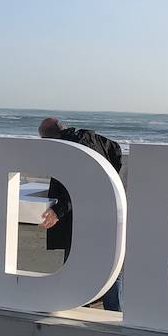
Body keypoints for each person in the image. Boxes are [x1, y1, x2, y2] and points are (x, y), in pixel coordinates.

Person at [38, 116, 124, 311]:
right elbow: (116, 150)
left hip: (82, 218)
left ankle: (79, 305)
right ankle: (113, 310)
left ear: (52, 138)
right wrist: (111, 179)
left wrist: (58, 211)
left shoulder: (69, 151)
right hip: (107, 211)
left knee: (75, 262)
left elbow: (82, 187)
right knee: (110, 262)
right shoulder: (93, 140)